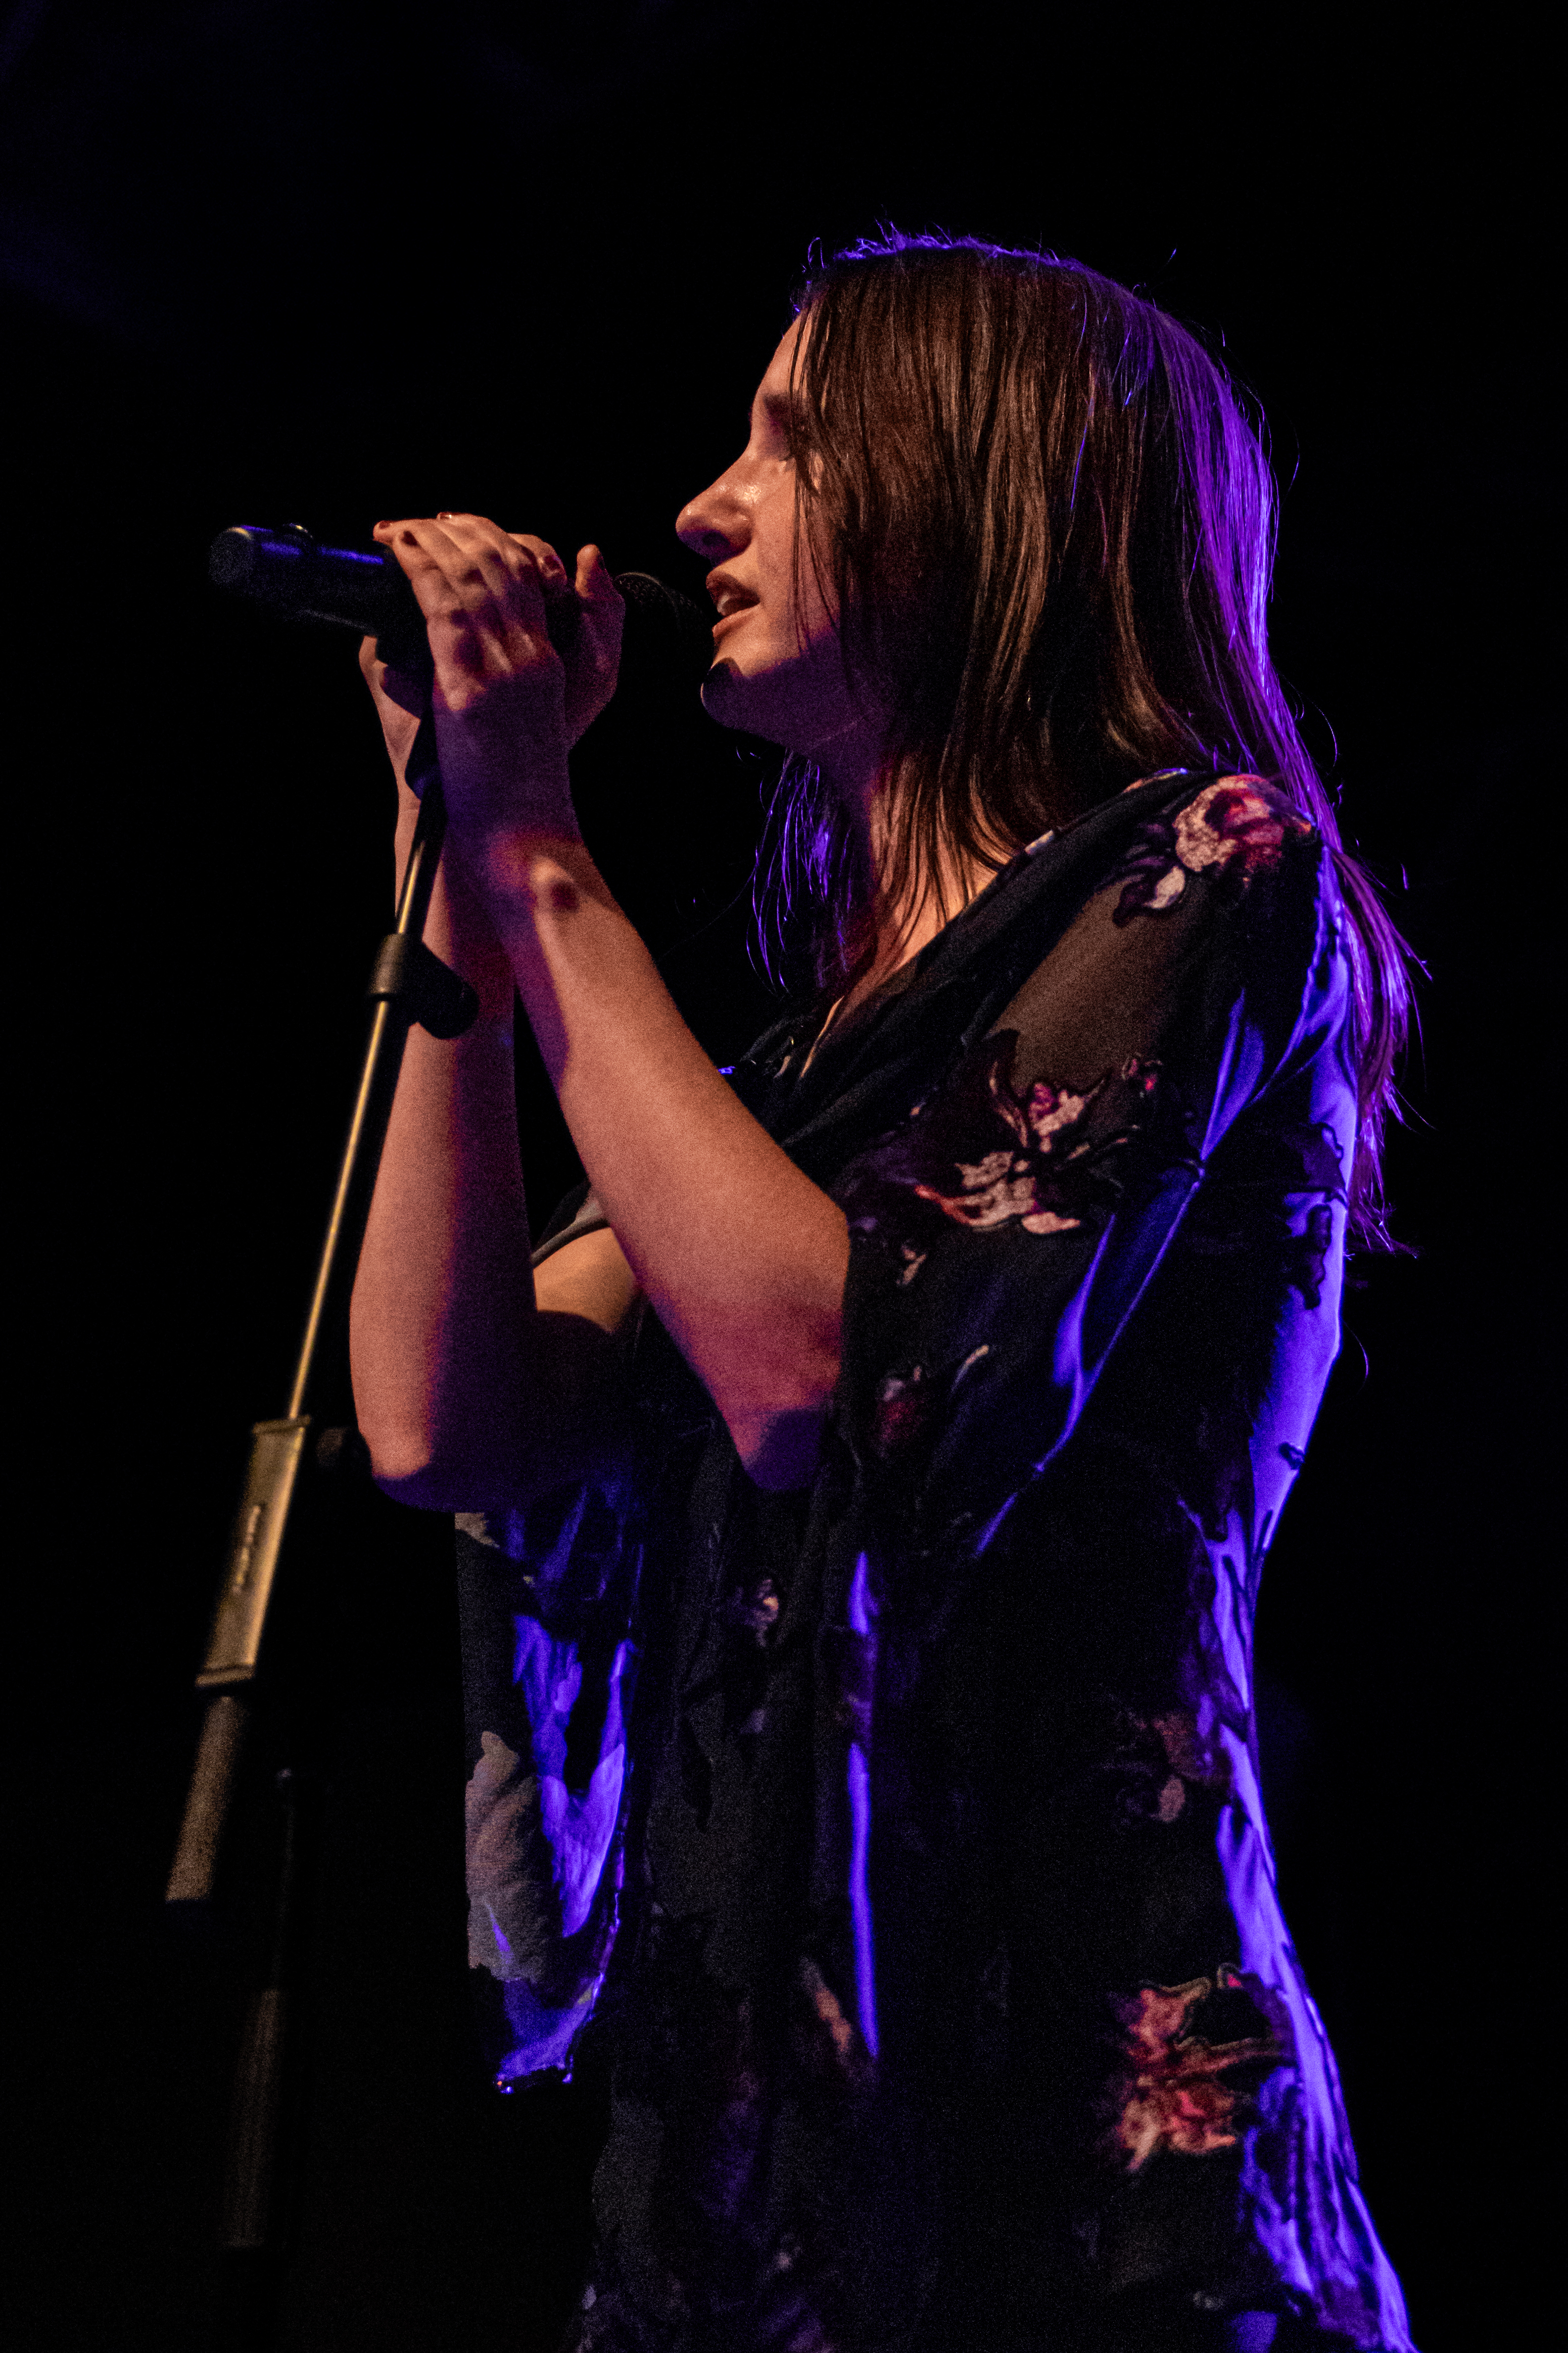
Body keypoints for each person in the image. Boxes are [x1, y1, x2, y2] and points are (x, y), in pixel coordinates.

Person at [349, 233, 1417, 2352]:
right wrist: (450, 857)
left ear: (977, 496)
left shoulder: (1217, 868)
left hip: (1078, 2107)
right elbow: (440, 1420)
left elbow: (825, 1382)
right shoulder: (780, 1094)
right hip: (767, 2140)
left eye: (789, 444)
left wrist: (544, 843)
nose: (698, 512)